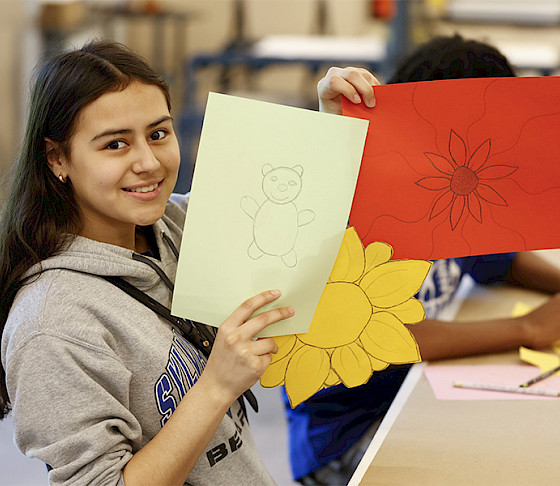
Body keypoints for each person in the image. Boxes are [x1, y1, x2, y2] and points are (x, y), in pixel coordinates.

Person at [0, 40, 298, 486]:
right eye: (115, 144)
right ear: (57, 159)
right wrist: (216, 387)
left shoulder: (173, 227)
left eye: (158, 133)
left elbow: (280, 204)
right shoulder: (51, 324)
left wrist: (333, 119)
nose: (149, 162)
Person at [285, 34, 560, 485]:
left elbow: (501, 261)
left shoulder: (461, 195)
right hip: (343, 435)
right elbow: (386, 332)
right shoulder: (368, 210)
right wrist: (529, 328)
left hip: (415, 396)